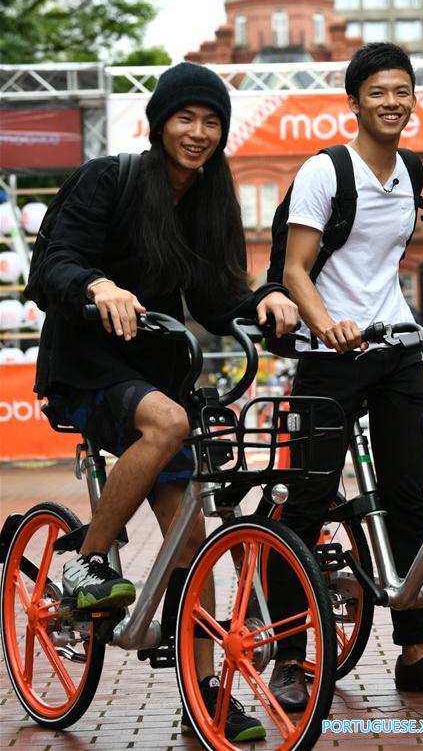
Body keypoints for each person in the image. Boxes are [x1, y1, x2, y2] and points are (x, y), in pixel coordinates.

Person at [34, 61, 298, 741]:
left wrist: (263, 300)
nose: (198, 132)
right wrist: (98, 285)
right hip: (87, 364)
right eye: (185, 118)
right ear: (159, 124)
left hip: (155, 371)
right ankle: (87, 562)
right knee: (171, 421)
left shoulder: (209, 202)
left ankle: (202, 694)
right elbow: (54, 262)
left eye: (211, 122)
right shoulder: (111, 179)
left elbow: (214, 298)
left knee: (191, 541)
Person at [267, 42, 423, 709]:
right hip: (330, 357)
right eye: (377, 92)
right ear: (354, 102)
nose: (391, 102)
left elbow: (381, 265)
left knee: (406, 498)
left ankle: (414, 654)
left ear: (412, 98)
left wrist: (394, 323)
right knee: (305, 503)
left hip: (394, 350)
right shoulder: (325, 171)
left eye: (401, 91)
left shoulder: (410, 168)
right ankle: (288, 656)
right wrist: (327, 324)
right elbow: (294, 269)